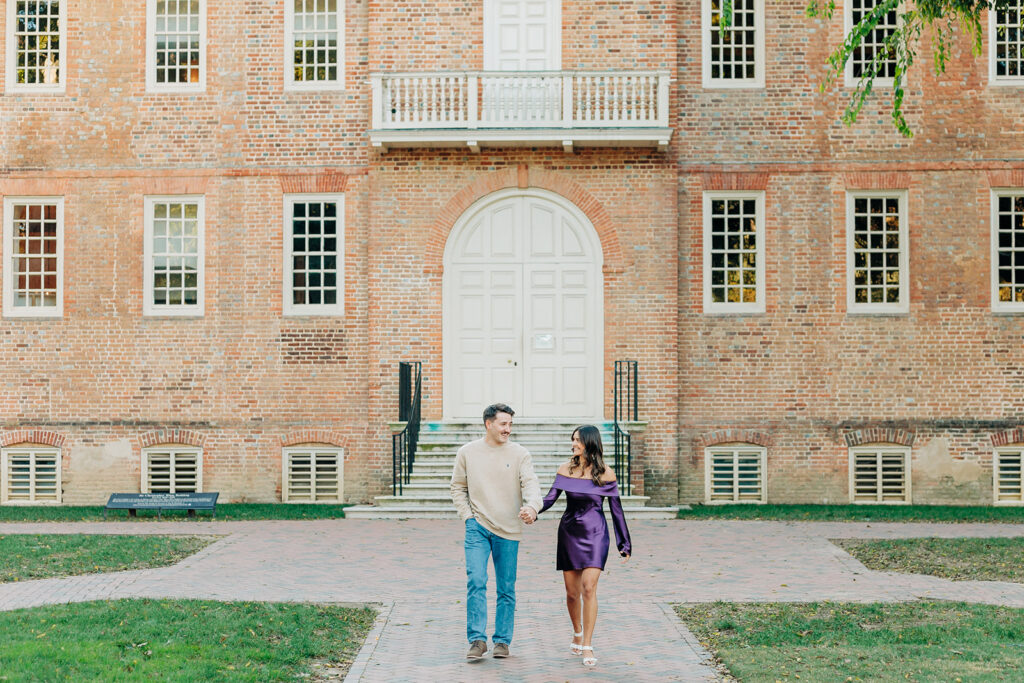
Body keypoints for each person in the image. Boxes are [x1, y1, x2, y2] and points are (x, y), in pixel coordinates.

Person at [520, 424, 631, 668]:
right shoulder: (565, 469)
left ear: (590, 443)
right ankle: (577, 631)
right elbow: (550, 498)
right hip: (569, 532)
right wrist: (533, 510)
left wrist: (624, 543)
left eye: (578, 440)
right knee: (572, 593)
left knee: (589, 588)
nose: (574, 444)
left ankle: (588, 645)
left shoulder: (607, 474)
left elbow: (617, 511)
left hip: (595, 533)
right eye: (573, 439)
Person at [450, 403, 542, 661]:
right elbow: (457, 487)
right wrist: (468, 517)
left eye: (510, 424)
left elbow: (531, 485)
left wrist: (532, 508)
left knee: (506, 588)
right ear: (488, 424)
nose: (508, 429)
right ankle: (477, 640)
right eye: (503, 424)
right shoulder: (467, 452)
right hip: (477, 527)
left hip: (509, 529)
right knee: (476, 581)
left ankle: (502, 641)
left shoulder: (520, 453)